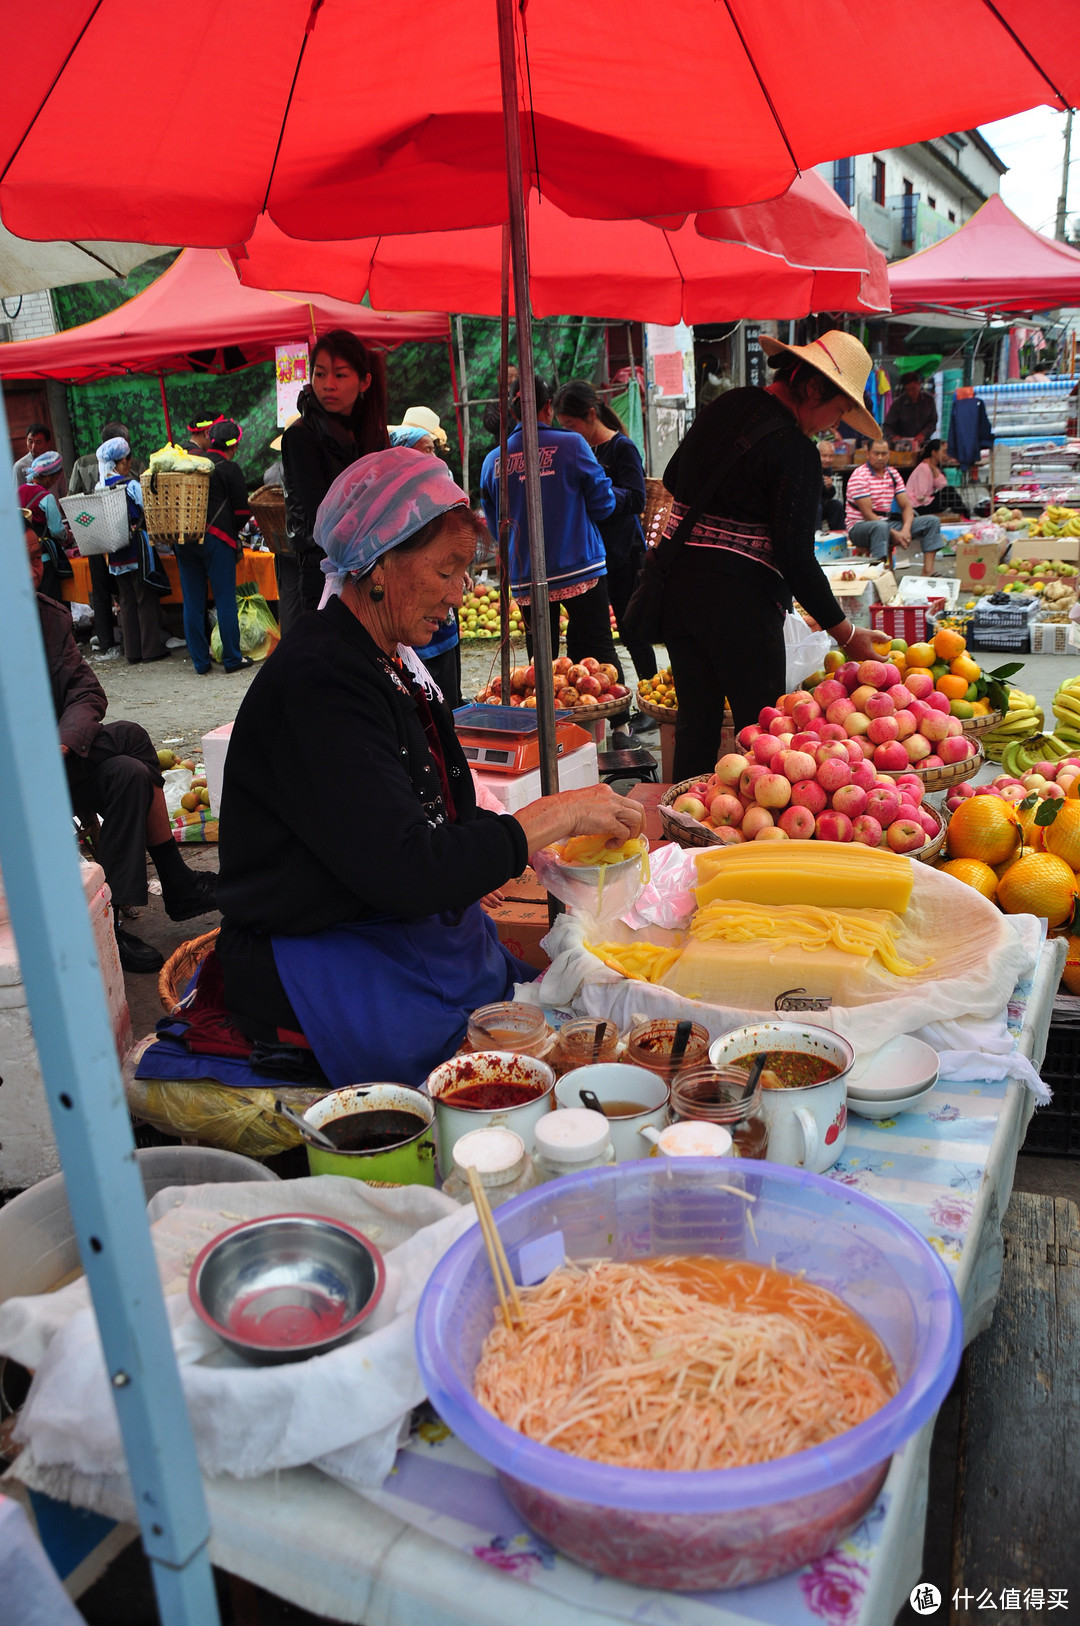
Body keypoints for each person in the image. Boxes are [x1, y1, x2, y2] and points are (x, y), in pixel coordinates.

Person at [214, 447, 643, 1086]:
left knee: (559, 1016)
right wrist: (555, 814)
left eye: (465, 573)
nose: (461, 591)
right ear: (381, 565)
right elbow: (407, 871)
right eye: (448, 570)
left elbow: (446, 821)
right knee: (499, 1070)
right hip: (324, 954)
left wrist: (519, 847)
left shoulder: (389, 663)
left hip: (391, 927)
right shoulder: (321, 684)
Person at [655, 330, 881, 780]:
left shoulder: (728, 403)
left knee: (696, 723)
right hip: (740, 608)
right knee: (761, 734)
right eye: (839, 410)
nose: (835, 424)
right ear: (814, 388)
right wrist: (845, 632)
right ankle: (750, 840)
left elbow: (673, 475)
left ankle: (684, 832)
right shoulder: (796, 450)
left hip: (678, 590)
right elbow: (795, 557)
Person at [26, 527, 217, 973]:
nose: (33, 572)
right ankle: (173, 884)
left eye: (37, 557)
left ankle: (113, 914)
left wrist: (60, 744)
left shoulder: (45, 617)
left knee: (131, 765)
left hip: (61, 761)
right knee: (130, 747)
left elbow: (85, 689)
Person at [479, 377, 622, 673]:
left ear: (515, 412)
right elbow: (603, 504)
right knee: (596, 650)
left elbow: (497, 527)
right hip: (580, 568)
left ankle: (546, 718)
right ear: (548, 406)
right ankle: (617, 721)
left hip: (526, 574)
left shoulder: (494, 460)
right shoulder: (572, 444)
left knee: (541, 658)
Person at [553, 379, 654, 730]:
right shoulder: (583, 451)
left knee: (632, 629)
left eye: (571, 425)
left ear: (591, 415)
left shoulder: (620, 448)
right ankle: (603, 705)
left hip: (624, 550)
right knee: (595, 634)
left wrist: (602, 492)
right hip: (593, 555)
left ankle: (650, 702)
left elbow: (638, 498)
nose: (568, 433)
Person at [279, 329, 388, 632]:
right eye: (320, 374)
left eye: (340, 375)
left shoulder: (369, 432)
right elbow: (323, 515)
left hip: (367, 567)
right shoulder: (301, 436)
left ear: (364, 381)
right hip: (323, 570)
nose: (328, 385)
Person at [174, 418, 253, 674]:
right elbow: (242, 511)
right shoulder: (229, 469)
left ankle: (200, 662)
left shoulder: (191, 463)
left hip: (185, 539)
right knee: (224, 600)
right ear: (234, 445)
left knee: (193, 602)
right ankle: (231, 659)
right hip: (217, 539)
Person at [96, 436, 168, 664]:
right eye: (127, 459)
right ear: (122, 462)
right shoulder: (131, 486)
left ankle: (132, 652)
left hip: (114, 552)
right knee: (144, 599)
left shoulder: (99, 488)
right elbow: (147, 510)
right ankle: (151, 650)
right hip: (137, 548)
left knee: (126, 602)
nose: (129, 463)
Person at [69, 419, 133, 656]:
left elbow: (72, 497)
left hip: (94, 534)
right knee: (127, 589)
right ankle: (131, 641)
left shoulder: (82, 463)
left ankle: (106, 641)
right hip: (122, 535)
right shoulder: (126, 461)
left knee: (100, 589)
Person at [845, 438, 943, 574]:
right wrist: (895, 533)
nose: (880, 457)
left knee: (932, 522)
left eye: (884, 453)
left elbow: (907, 507)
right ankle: (879, 574)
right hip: (859, 527)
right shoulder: (860, 476)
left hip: (887, 524)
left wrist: (905, 530)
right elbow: (868, 514)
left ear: (889, 454)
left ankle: (928, 571)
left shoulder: (893, 474)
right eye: (876, 453)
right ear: (868, 454)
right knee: (881, 526)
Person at [19, 451, 72, 602]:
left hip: (24, 559)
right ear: (49, 476)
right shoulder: (46, 497)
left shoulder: (19, 491)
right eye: (56, 477)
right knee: (51, 603)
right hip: (45, 560)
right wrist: (68, 535)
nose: (56, 480)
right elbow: (57, 531)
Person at [883, 376, 937, 448]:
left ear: (919, 384)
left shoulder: (929, 400)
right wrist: (894, 437)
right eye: (908, 390)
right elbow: (887, 426)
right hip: (902, 446)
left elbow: (933, 421)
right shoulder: (898, 403)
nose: (911, 393)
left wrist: (923, 434)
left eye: (913, 389)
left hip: (924, 444)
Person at [13, 423, 65, 494]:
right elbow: (19, 497)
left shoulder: (55, 463)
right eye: (30, 442)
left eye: (38, 442)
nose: (33, 447)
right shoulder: (20, 466)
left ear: (48, 443)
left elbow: (63, 492)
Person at [905, 439, 951, 516]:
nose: (946, 455)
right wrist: (932, 500)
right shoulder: (924, 468)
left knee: (949, 492)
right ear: (934, 453)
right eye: (944, 452)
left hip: (925, 501)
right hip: (917, 506)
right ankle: (964, 513)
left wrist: (933, 468)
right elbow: (921, 496)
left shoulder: (934, 467)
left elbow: (942, 486)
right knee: (949, 494)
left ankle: (963, 512)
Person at [817, 434, 846, 532]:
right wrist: (821, 483)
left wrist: (829, 488)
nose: (827, 459)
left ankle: (839, 535)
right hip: (807, 506)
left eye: (830, 456)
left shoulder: (828, 469)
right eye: (824, 456)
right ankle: (816, 537)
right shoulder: (810, 466)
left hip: (821, 504)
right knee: (817, 508)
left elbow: (827, 496)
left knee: (836, 505)